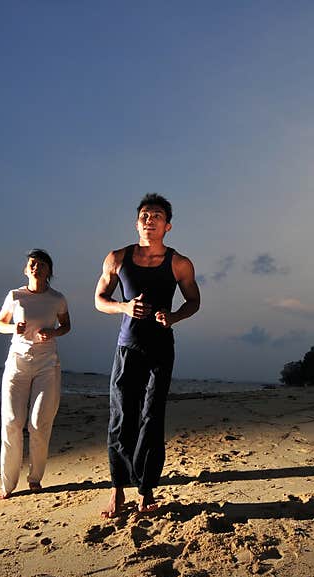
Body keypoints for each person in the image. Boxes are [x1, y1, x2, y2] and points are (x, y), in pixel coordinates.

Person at [94, 193, 201, 517]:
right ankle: (117, 489)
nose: (149, 219)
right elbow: (100, 298)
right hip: (127, 347)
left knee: (151, 419)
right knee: (121, 417)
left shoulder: (179, 262)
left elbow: (193, 301)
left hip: (160, 349)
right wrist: (124, 306)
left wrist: (174, 317)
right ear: (137, 222)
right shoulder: (117, 257)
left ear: (167, 225)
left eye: (156, 215)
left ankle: (146, 489)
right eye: (144, 214)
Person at [0, 248, 71, 499]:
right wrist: (12, 328)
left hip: (47, 365)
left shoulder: (57, 298)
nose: (35, 266)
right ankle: (8, 485)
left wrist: (54, 333)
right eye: (31, 263)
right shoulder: (15, 296)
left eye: (40, 264)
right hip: (17, 363)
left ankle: (35, 477)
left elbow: (66, 325)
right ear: (26, 270)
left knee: (38, 422)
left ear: (49, 271)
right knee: (12, 421)